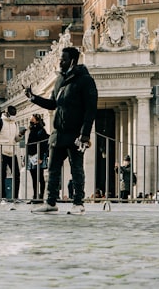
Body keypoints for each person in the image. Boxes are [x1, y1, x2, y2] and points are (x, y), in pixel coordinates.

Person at [27, 46, 98, 215]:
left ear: (72, 61)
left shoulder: (85, 80)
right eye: (60, 59)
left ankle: (78, 203)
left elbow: (91, 109)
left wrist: (85, 134)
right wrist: (33, 98)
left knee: (76, 169)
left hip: (75, 133)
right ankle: (50, 202)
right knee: (52, 168)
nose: (60, 62)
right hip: (58, 133)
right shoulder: (59, 80)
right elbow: (53, 104)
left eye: (63, 59)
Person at [0, 105, 22, 202]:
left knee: (17, 174)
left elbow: (15, 139)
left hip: (12, 152)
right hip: (2, 152)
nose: (13, 116)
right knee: (2, 175)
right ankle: (2, 197)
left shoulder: (15, 123)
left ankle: (15, 197)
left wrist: (20, 135)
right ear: (7, 113)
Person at [26, 114, 49, 203]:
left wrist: (40, 157)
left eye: (32, 118)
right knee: (34, 177)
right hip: (31, 156)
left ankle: (41, 196)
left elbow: (43, 145)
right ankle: (35, 196)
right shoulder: (32, 130)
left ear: (37, 120)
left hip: (38, 156)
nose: (30, 119)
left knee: (40, 177)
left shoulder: (41, 130)